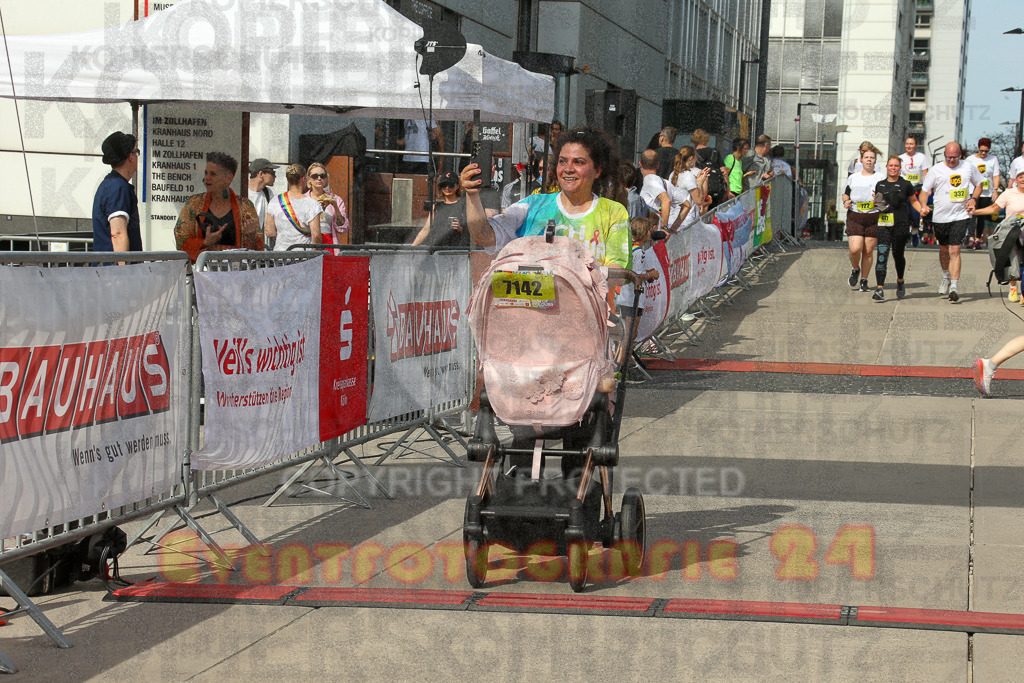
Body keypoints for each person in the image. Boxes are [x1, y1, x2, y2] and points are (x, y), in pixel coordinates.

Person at [460, 126, 641, 478]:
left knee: (582, 439)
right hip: (528, 345)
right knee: (523, 436)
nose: (568, 169)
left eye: (579, 162)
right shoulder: (534, 205)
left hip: (584, 343)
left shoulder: (613, 213)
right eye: (562, 161)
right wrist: (471, 197)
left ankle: (577, 498)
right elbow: (484, 235)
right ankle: (519, 494)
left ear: (597, 170)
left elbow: (617, 267)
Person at [919, 142, 985, 302]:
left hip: (960, 216)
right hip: (940, 217)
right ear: (944, 155)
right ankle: (945, 277)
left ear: (960, 155)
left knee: (955, 250)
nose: (951, 160)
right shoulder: (936, 170)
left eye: (954, 157)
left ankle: (954, 287)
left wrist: (973, 199)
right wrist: (923, 205)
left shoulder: (968, 167)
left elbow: (980, 184)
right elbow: (924, 191)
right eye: (948, 157)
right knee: (944, 250)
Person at [174, 152, 263, 263]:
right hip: (202, 273)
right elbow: (180, 239)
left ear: (228, 178)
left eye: (213, 174)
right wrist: (205, 242)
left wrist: (251, 237)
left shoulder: (245, 206)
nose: (207, 179)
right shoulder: (193, 204)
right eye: (206, 173)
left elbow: (258, 251)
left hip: (235, 273)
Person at [871, 156, 925, 301]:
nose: (893, 168)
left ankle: (900, 280)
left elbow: (914, 201)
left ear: (899, 168)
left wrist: (922, 210)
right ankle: (880, 289)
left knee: (898, 255)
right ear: (887, 167)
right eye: (891, 165)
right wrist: (877, 203)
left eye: (896, 166)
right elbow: (877, 202)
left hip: (900, 223)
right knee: (882, 254)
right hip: (883, 224)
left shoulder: (906, 184)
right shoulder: (880, 184)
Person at [970, 167, 1024, 301]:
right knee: (1013, 260)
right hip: (1012, 232)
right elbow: (994, 208)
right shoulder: (1008, 193)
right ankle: (1013, 287)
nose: (1023, 179)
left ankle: (1023, 292)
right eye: (1021, 176)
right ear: (1016, 179)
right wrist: (976, 212)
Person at [841, 148, 885, 292]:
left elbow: (884, 203)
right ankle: (855, 269)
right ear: (861, 160)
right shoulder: (854, 177)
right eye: (866, 157)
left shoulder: (880, 178)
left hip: (873, 216)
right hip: (855, 216)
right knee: (855, 249)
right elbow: (845, 194)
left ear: (875, 161)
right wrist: (846, 202)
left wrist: (877, 198)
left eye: (872, 157)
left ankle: (864, 280)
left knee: (868, 251)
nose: (869, 160)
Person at [92, 131, 142, 255]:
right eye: (137, 152)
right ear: (131, 156)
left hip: (108, 269)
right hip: (114, 271)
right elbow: (118, 234)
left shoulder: (111, 184)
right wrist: (123, 272)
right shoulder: (118, 187)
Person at [264, 164, 323, 252]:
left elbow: (269, 231)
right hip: (303, 257)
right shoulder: (312, 204)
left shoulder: (275, 201)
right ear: (303, 179)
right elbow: (316, 235)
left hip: (280, 255)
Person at [411, 171, 468, 247]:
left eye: (451, 185)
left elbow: (473, 232)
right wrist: (411, 248)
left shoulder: (464, 204)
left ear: (457, 186)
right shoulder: (436, 206)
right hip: (437, 248)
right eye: (444, 185)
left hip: (456, 250)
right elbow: (426, 229)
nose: (447, 188)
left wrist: (460, 229)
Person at [304, 162, 349, 253]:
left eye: (322, 176)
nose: (319, 178)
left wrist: (335, 206)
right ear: (309, 179)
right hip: (308, 241)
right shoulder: (303, 199)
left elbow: (342, 229)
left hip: (328, 242)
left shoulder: (336, 199)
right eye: (315, 176)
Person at [965, 138, 1001, 249]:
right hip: (973, 191)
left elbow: (995, 175)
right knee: (971, 214)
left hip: (986, 192)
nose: (984, 153)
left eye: (986, 151)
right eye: (982, 150)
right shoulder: (970, 159)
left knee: (981, 215)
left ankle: (978, 238)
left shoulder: (993, 159)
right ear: (978, 148)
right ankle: (971, 238)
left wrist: (995, 190)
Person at [670, 146, 711, 230]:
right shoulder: (688, 175)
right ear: (691, 158)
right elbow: (699, 201)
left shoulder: (673, 174)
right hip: (685, 221)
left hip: (672, 219)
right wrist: (700, 183)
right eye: (696, 157)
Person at [899, 136, 929, 246]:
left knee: (915, 212)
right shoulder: (900, 158)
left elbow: (926, 174)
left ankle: (915, 231)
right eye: (907, 144)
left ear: (916, 145)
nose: (909, 146)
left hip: (917, 188)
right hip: (904, 188)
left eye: (911, 144)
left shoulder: (921, 157)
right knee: (904, 212)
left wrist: (927, 189)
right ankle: (904, 234)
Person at [638, 149, 677, 231]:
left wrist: (664, 228)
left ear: (640, 164)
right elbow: (687, 205)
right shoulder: (666, 183)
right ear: (658, 165)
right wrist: (674, 227)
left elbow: (666, 200)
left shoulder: (650, 180)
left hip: (653, 234)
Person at [692, 128, 730, 205]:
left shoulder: (692, 154)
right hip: (717, 190)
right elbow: (724, 172)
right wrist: (728, 191)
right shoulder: (715, 152)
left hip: (701, 190)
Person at [247, 158, 278, 243]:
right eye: (272, 173)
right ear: (260, 173)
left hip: (261, 244)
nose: (275, 176)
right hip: (244, 243)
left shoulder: (268, 193)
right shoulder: (243, 191)